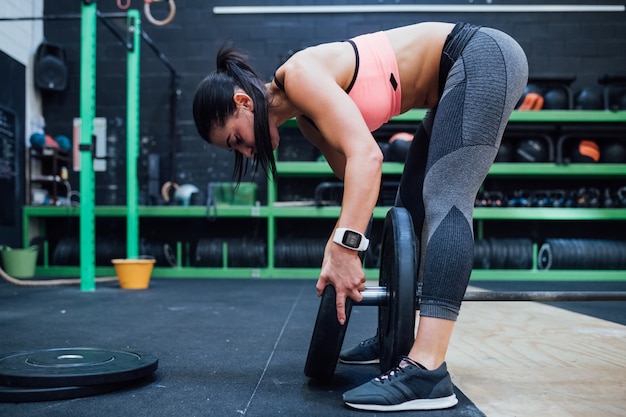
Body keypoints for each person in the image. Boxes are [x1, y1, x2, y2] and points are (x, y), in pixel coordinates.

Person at [193, 21, 528, 412]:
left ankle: (428, 370)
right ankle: (397, 328)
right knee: (408, 209)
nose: (247, 153)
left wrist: (345, 248)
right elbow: (355, 180)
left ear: (244, 102)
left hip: (479, 57)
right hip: (455, 80)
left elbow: (369, 160)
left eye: (237, 140)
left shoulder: (300, 75)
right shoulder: (307, 118)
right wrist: (343, 248)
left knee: (445, 196)